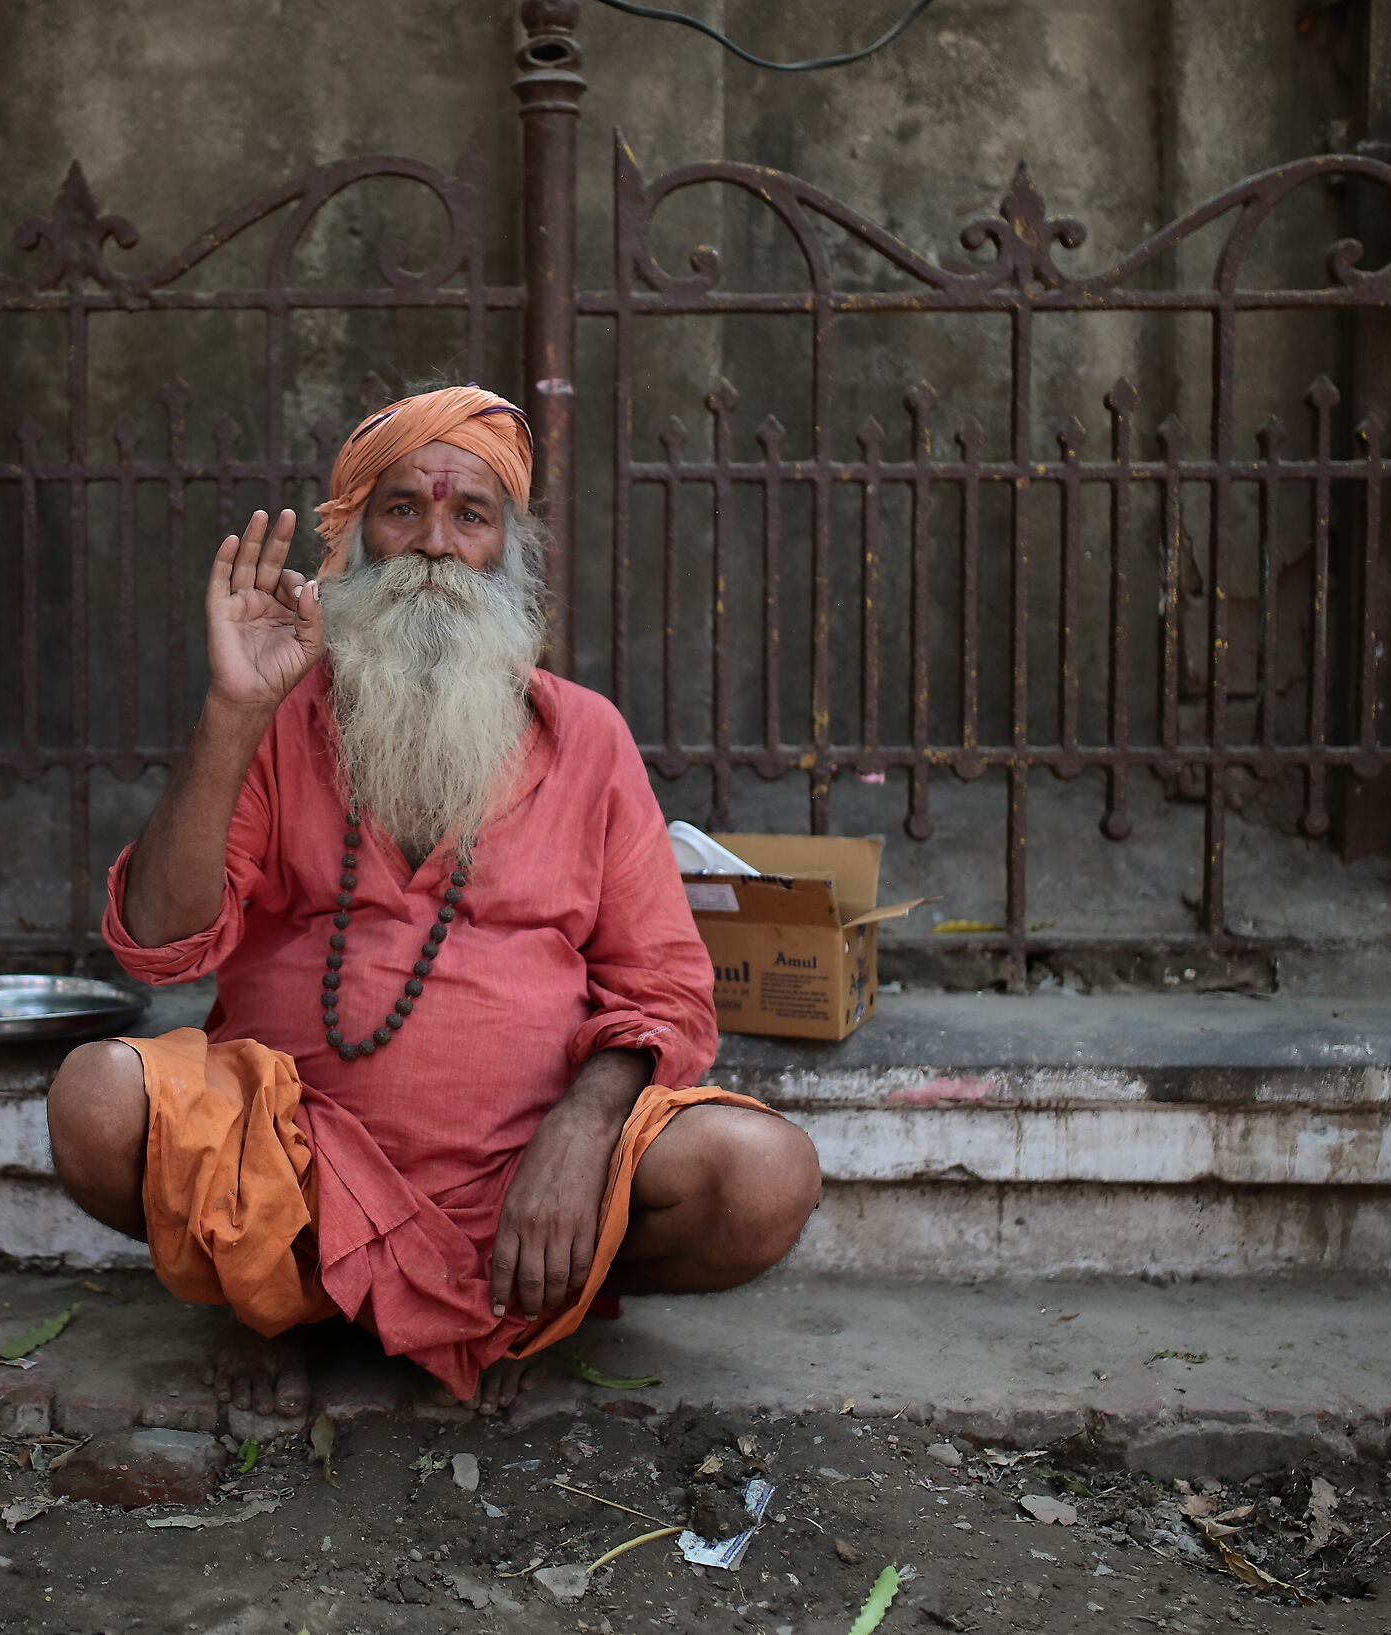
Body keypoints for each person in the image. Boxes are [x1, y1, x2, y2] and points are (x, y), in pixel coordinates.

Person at [47, 385, 822, 1415]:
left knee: (765, 1176)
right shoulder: (280, 718)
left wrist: (583, 1130)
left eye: (470, 515)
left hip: (523, 1185)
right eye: (401, 510)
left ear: (511, 548)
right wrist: (234, 711)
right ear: (357, 541)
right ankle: (284, 1298)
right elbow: (159, 945)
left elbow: (668, 993)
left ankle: (527, 1299)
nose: (435, 547)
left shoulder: (585, 736)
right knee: (94, 1100)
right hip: (292, 1179)